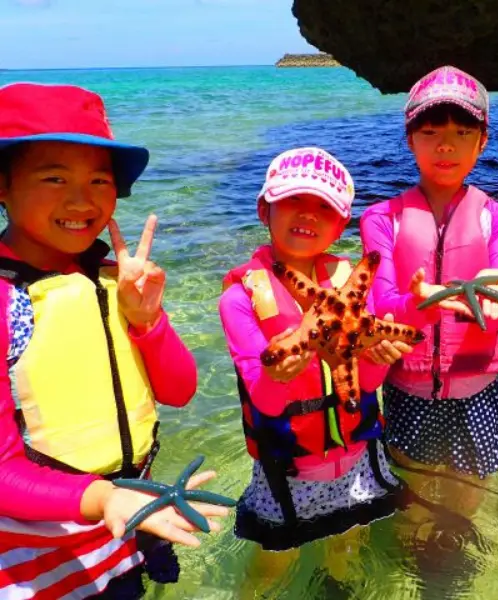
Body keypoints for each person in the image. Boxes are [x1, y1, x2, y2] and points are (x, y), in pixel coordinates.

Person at [0, 82, 227, 599]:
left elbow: (180, 391)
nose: (82, 200)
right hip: (44, 553)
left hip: (139, 511)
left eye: (99, 180)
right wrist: (105, 498)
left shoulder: (116, 279)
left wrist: (147, 320)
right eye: (54, 177)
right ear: (2, 185)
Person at [360, 65, 498, 531]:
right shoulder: (381, 219)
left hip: (478, 387)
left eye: (463, 131)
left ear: (483, 141)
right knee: (411, 483)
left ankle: (457, 540)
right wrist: (422, 303)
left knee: (469, 485)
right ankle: (416, 541)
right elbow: (380, 305)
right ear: (410, 139)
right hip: (407, 386)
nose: (446, 145)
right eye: (430, 131)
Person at [219, 147, 413, 566]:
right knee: (272, 567)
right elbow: (266, 401)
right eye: (293, 201)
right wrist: (280, 373)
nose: (307, 215)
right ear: (263, 210)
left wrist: (380, 355)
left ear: (341, 223)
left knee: (347, 551)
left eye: (322, 207)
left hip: (359, 458)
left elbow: (368, 383)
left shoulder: (354, 288)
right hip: (289, 472)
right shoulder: (241, 299)